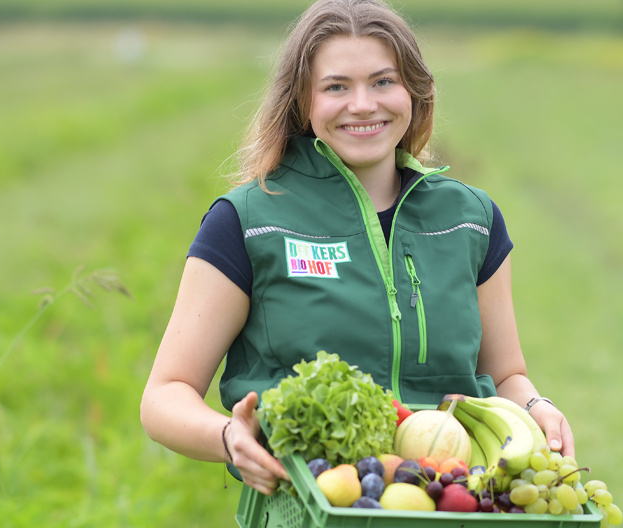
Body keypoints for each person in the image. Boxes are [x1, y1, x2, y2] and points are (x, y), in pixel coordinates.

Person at [140, 0, 574, 497]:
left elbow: (505, 376)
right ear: (302, 101)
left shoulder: (471, 220)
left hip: (453, 501)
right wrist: (227, 436)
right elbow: (164, 396)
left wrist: (537, 406)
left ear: (414, 91)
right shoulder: (246, 221)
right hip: (315, 500)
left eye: (383, 81)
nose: (363, 104)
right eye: (336, 87)